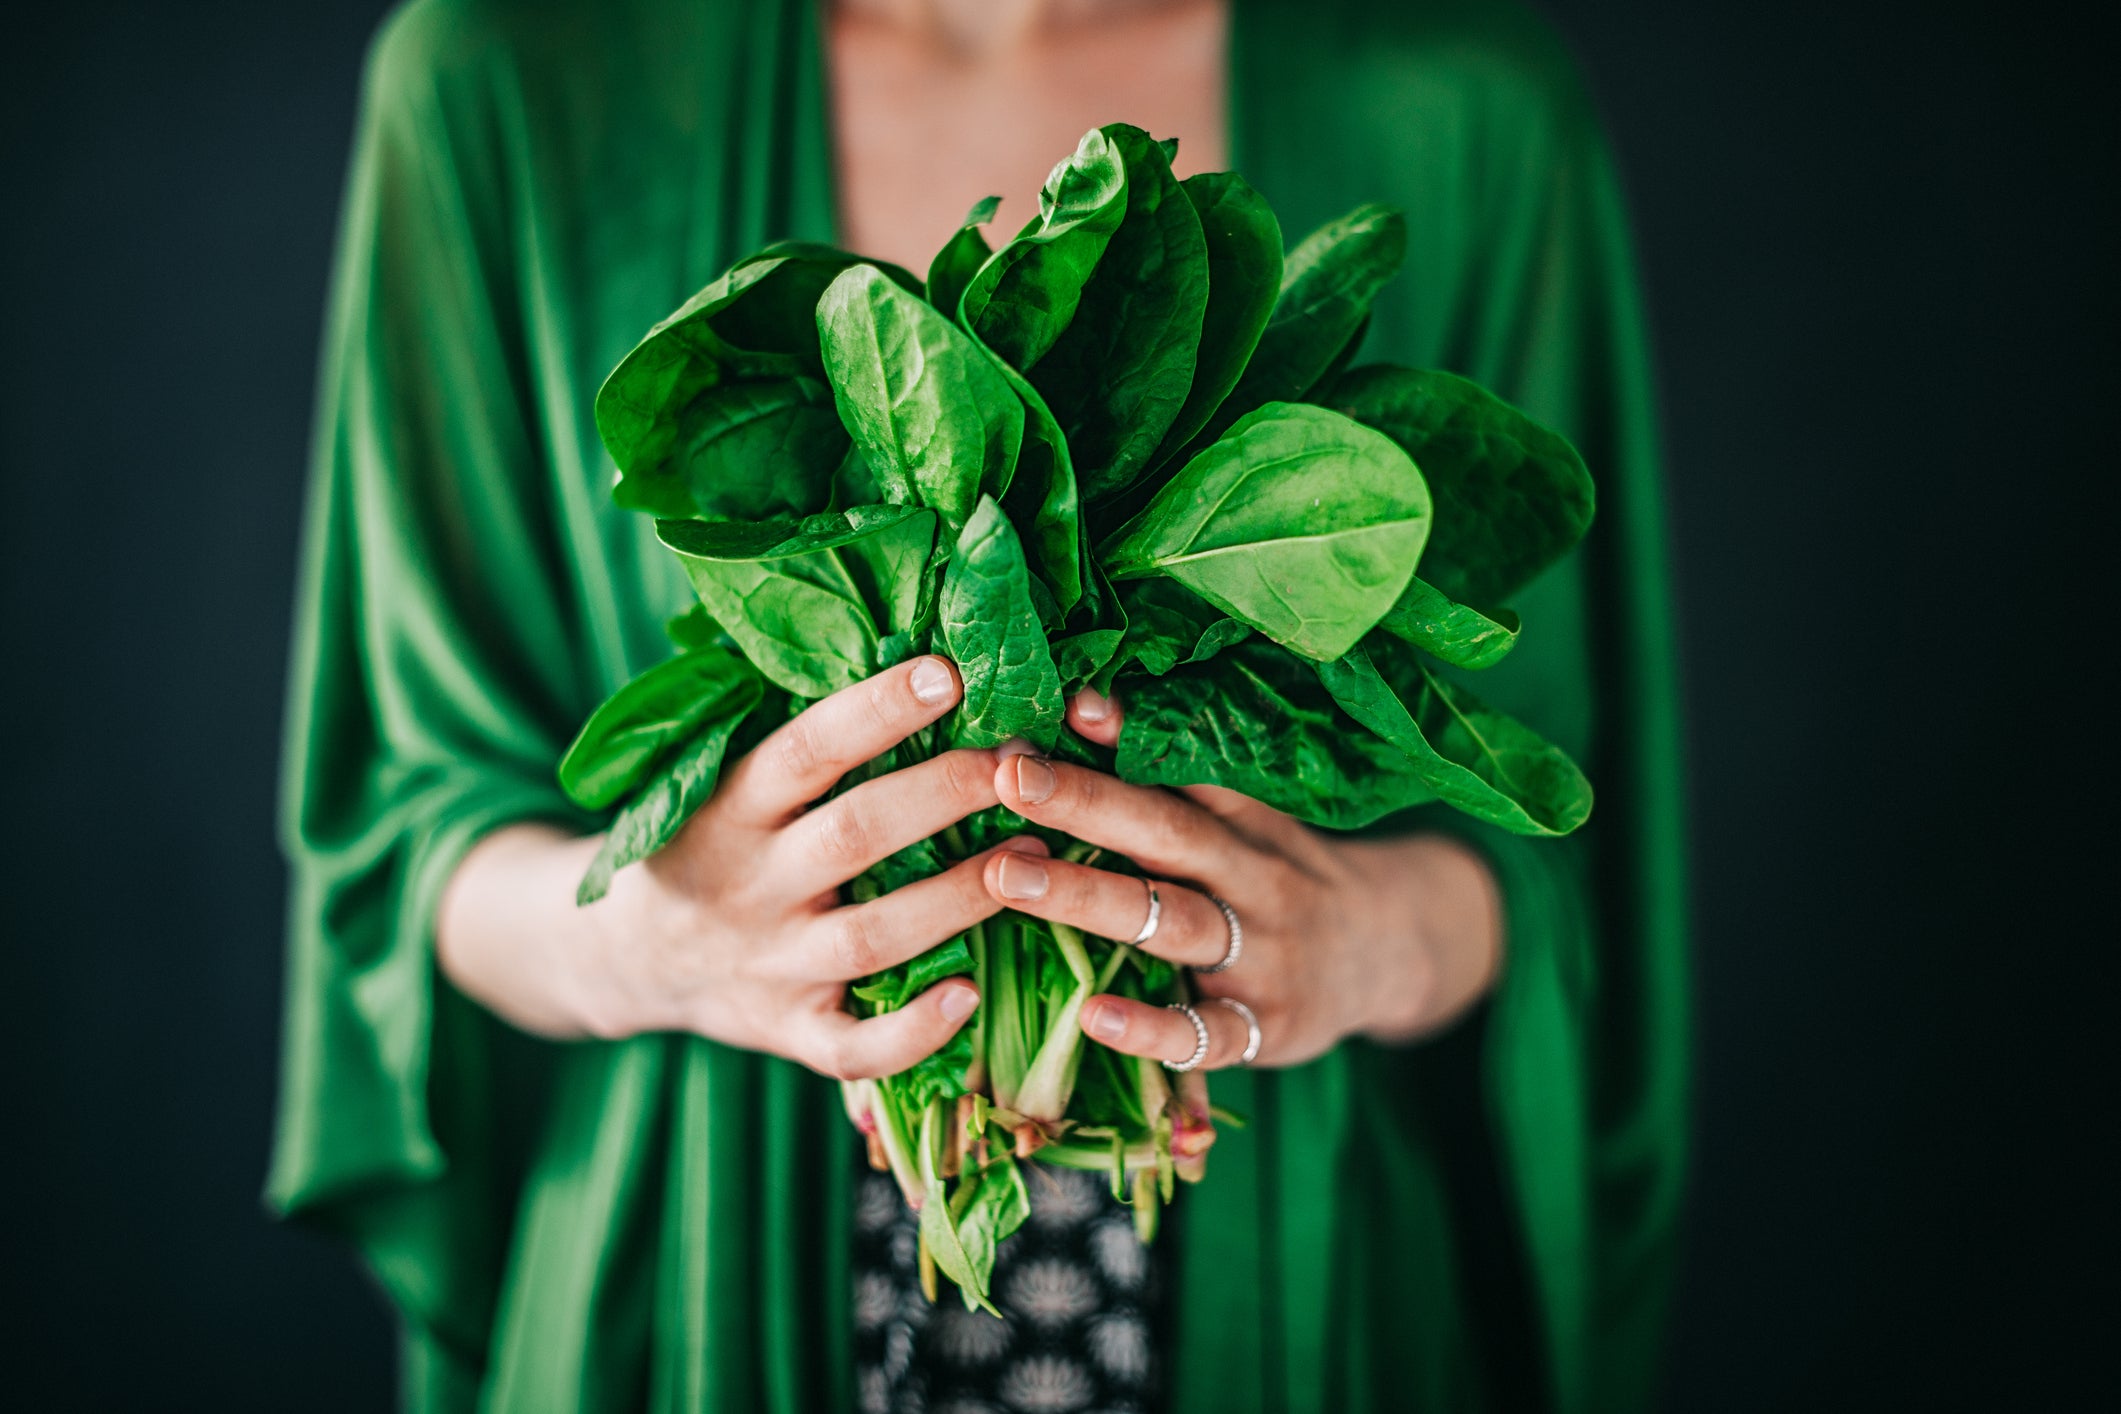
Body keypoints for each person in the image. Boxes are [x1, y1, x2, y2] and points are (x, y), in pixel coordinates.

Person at [268, 1, 1687, 1410]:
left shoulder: (1465, 104)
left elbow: (1556, 833)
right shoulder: (500, 79)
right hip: (692, 1290)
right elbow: (408, 831)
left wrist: (1364, 939)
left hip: (1304, 1288)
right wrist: (659, 941)